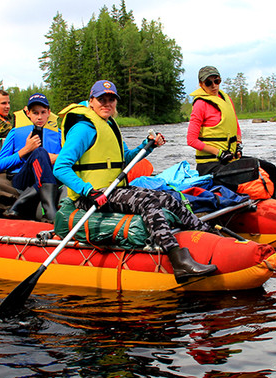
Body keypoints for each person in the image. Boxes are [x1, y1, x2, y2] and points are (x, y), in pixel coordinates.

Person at [53, 80, 218, 282]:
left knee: (168, 198)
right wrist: (88, 191)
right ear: (91, 101)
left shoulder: (109, 124)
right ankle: (177, 259)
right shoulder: (83, 129)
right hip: (92, 196)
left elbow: (126, 158)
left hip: (114, 191)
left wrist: (147, 146)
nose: (107, 103)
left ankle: (206, 234)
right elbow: (60, 168)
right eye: (101, 99)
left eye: (111, 99)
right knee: (147, 202)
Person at [187, 65, 276, 196]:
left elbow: (236, 126)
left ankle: (272, 205)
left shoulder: (226, 99)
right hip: (210, 165)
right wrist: (219, 153)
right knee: (241, 180)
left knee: (269, 168)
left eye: (216, 81)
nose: (214, 86)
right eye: (208, 83)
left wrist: (238, 146)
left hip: (229, 160)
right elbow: (191, 140)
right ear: (201, 84)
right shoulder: (200, 105)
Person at [0, 93, 62, 221]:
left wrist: (55, 158)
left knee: (42, 156)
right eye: (35, 113)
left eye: (43, 112)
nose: (40, 117)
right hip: (22, 179)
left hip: (46, 178)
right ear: (28, 114)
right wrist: (26, 150)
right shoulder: (15, 133)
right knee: (40, 152)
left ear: (49, 113)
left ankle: (19, 204)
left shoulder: (58, 135)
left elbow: (69, 160)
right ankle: (50, 210)